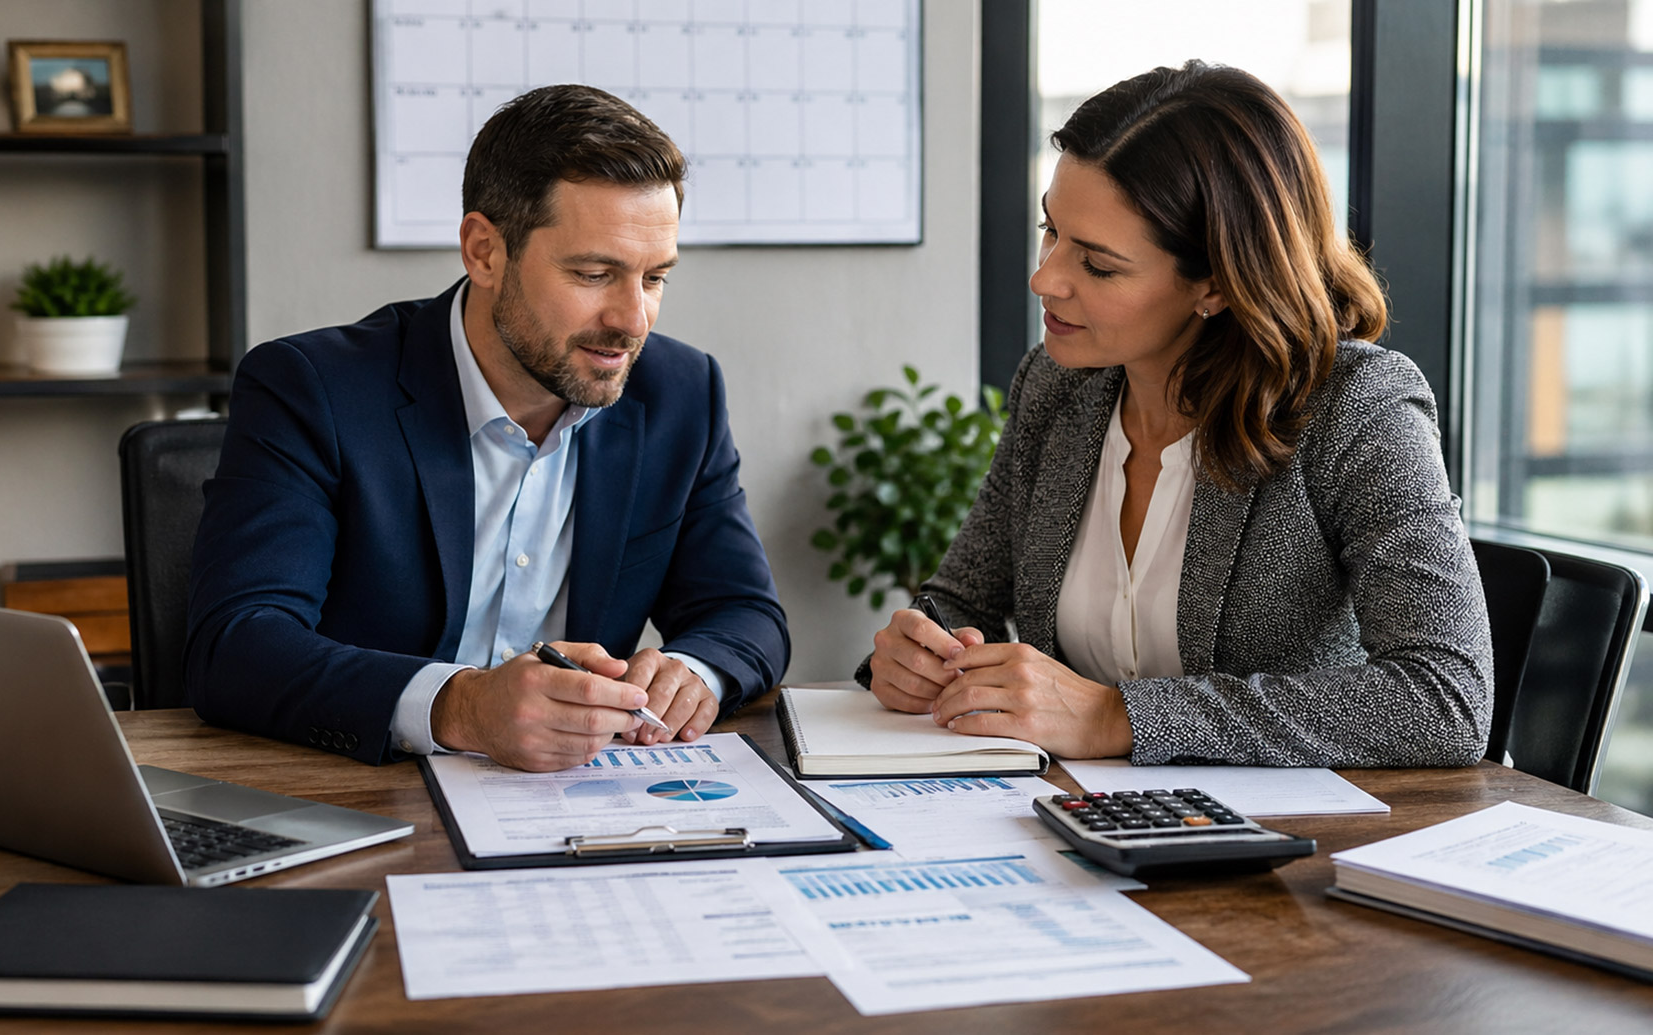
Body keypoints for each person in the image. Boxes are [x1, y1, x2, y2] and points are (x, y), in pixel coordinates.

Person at [861, 60, 1492, 768]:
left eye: (1099, 265)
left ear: (1216, 284)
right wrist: (921, 651)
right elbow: (961, 599)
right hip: (1074, 812)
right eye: (1050, 230)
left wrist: (1119, 717)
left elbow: (1446, 698)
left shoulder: (1355, 406)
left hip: (1288, 831)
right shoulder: (1057, 385)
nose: (1045, 278)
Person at [187, 85, 789, 772]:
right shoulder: (310, 388)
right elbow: (235, 645)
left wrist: (693, 671)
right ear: (484, 252)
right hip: (359, 790)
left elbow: (745, 613)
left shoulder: (682, 393)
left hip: (579, 797)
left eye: (655, 278)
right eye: (594, 274)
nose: (633, 320)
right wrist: (463, 707)